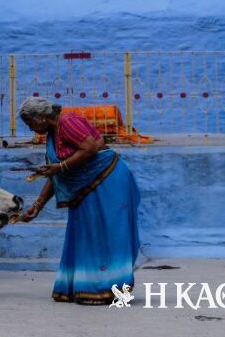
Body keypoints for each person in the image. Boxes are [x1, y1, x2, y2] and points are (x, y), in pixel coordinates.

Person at [19, 97, 141, 305]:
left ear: (40, 118)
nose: (31, 130)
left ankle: (110, 289)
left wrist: (61, 167)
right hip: (85, 185)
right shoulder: (52, 133)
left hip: (107, 179)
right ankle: (87, 285)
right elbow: (55, 173)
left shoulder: (67, 122)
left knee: (108, 234)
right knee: (86, 233)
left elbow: (90, 148)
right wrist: (37, 205)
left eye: (30, 124)